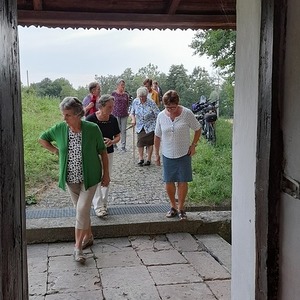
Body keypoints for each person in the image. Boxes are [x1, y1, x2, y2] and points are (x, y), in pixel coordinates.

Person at [39, 97, 110, 263]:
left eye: (68, 115)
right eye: (63, 114)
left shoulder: (92, 129)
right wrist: (56, 151)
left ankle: (77, 248)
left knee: (81, 210)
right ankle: (89, 236)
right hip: (70, 179)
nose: (64, 118)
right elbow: (43, 138)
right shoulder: (60, 129)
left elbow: (103, 152)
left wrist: (106, 175)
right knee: (82, 211)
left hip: (90, 178)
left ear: (78, 114)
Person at [154, 90, 201, 220]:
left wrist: (193, 145)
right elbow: (157, 136)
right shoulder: (161, 116)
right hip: (168, 153)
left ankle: (181, 208)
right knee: (168, 181)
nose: (170, 110)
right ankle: (173, 206)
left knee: (182, 180)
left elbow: (198, 128)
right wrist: (156, 154)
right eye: (167, 107)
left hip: (183, 153)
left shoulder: (186, 113)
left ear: (177, 103)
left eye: (173, 107)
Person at [86, 94, 120, 217]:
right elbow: (84, 138)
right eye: (109, 107)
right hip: (94, 154)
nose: (112, 109)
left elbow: (117, 137)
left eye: (113, 106)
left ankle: (104, 203)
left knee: (106, 177)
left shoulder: (113, 119)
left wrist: (112, 141)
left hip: (109, 152)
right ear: (101, 106)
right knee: (96, 178)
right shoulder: (90, 119)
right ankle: (98, 206)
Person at [130, 86, 160, 166]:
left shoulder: (151, 102)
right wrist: (133, 119)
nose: (142, 98)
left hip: (150, 125)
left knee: (149, 143)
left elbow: (158, 114)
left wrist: (158, 124)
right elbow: (131, 113)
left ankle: (149, 159)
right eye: (140, 96)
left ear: (146, 95)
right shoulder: (135, 102)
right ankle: (141, 158)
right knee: (140, 142)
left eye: (143, 96)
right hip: (140, 125)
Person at [112, 79, 130, 152]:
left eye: (123, 85)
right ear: (117, 85)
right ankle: (114, 144)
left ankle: (123, 146)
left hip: (124, 114)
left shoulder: (126, 95)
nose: (123, 86)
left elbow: (128, 104)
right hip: (115, 114)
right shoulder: (113, 94)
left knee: (123, 130)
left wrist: (127, 111)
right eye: (121, 85)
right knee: (115, 130)